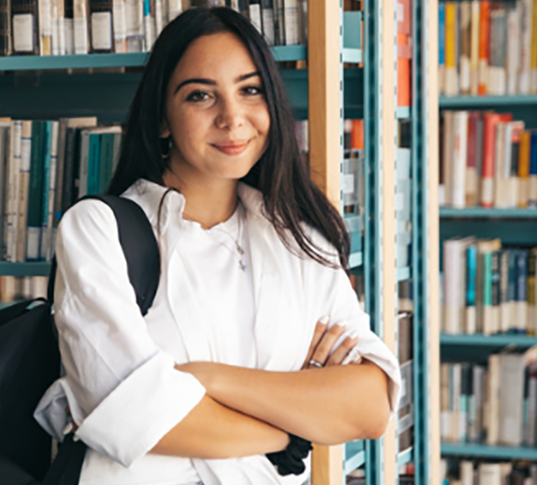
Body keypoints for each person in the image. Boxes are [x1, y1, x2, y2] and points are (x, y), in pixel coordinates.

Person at [33, 7, 401, 484]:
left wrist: (208, 379)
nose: (232, 118)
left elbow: (370, 407)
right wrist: (293, 426)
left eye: (250, 90)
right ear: (162, 119)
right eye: (201, 96)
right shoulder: (98, 230)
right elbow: (129, 414)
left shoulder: (300, 240)